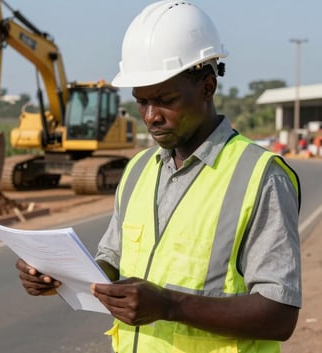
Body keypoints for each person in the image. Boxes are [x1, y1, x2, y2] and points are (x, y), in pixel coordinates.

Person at [16, 1, 302, 352]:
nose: (151, 117)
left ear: (208, 87)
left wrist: (169, 306)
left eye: (165, 100)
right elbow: (111, 263)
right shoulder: (138, 170)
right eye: (141, 101)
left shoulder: (260, 176)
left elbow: (280, 315)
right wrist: (59, 275)